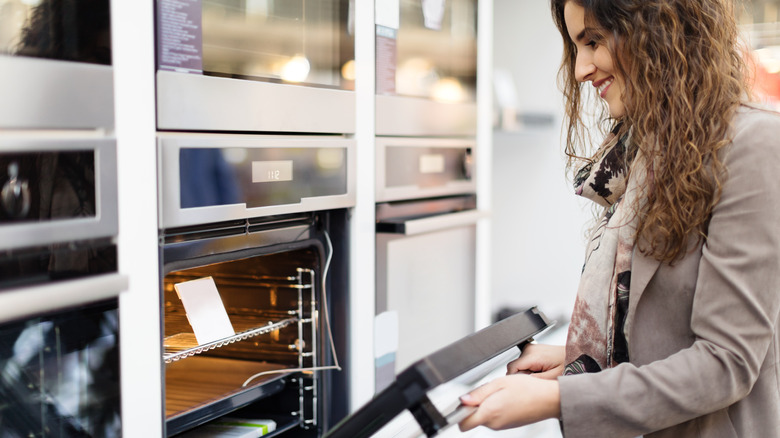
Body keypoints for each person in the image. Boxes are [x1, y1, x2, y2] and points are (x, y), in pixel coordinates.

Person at [458, 0, 780, 437]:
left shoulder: (755, 145)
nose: (580, 69)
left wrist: (557, 398)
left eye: (593, 41)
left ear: (658, 29)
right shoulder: (647, 152)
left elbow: (726, 363)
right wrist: (574, 358)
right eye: (577, 47)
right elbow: (661, 325)